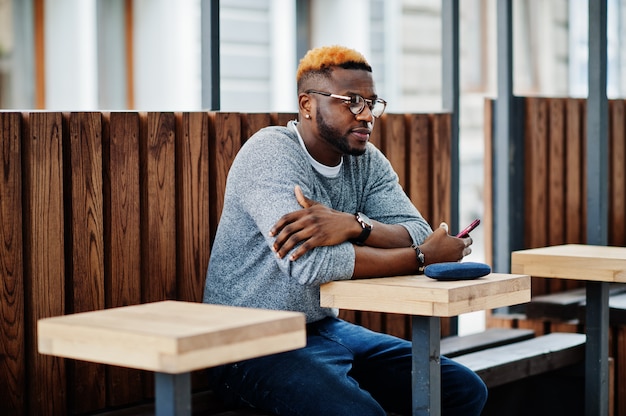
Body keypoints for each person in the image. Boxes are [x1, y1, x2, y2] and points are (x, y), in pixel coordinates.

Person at [203, 45, 488, 416]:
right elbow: (312, 266)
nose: (367, 115)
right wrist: (422, 258)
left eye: (371, 102)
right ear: (307, 104)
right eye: (352, 101)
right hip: (247, 343)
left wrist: (354, 225)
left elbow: (416, 228)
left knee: (462, 390)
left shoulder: (365, 160)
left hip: (320, 328)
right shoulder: (270, 154)